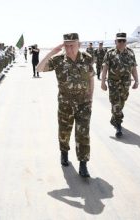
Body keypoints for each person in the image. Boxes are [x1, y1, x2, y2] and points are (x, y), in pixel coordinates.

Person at [37, 33, 94, 178]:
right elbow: (38, 68)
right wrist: (51, 52)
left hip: (84, 104)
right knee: (64, 131)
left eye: (72, 45)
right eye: (66, 45)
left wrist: (90, 97)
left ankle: (83, 164)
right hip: (65, 103)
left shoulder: (87, 58)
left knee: (83, 134)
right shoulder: (57, 60)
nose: (69, 49)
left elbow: (91, 78)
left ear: (78, 44)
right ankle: (64, 152)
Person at [101, 32, 139, 138]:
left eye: (123, 41)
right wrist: (103, 82)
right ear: (115, 41)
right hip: (113, 83)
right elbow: (105, 69)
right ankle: (118, 125)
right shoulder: (110, 53)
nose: (121, 43)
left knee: (121, 103)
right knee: (116, 104)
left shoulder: (131, 53)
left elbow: (134, 68)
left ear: (126, 41)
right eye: (119, 41)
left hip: (125, 84)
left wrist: (136, 80)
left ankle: (114, 119)